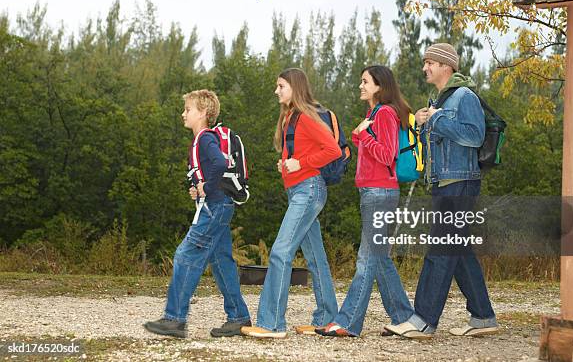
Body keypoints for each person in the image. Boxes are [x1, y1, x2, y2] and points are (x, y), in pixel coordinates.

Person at [384, 43, 498, 339]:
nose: (425, 68)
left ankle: (423, 319)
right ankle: (484, 317)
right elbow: (438, 146)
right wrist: (423, 125)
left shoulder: (464, 96)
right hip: (445, 182)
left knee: (440, 248)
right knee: (458, 252)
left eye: (430, 63)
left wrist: (437, 118)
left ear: (446, 66)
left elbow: (474, 136)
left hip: (460, 183)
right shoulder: (440, 100)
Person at [316, 65, 415, 337]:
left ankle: (348, 322)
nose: (360, 86)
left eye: (365, 82)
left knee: (366, 258)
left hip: (379, 193)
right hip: (374, 192)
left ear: (379, 87)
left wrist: (362, 135)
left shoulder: (384, 113)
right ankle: (405, 317)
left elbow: (387, 155)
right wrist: (363, 134)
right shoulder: (374, 113)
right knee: (380, 258)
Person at [241, 68, 341, 338]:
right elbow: (302, 153)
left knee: (280, 252)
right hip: (300, 189)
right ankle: (328, 317)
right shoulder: (290, 118)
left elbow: (333, 150)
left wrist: (301, 163)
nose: (276, 91)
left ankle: (271, 324)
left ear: (294, 88)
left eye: (281, 86)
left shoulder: (306, 117)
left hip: (308, 191)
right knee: (316, 258)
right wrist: (287, 166)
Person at [144, 89, 251, 339]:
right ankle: (238, 318)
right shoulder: (203, 139)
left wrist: (209, 186)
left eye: (188, 109)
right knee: (221, 261)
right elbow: (212, 169)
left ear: (203, 113)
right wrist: (199, 189)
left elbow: (220, 164)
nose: (184, 113)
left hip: (215, 208)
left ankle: (174, 319)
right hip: (219, 205)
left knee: (185, 255)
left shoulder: (204, 138)